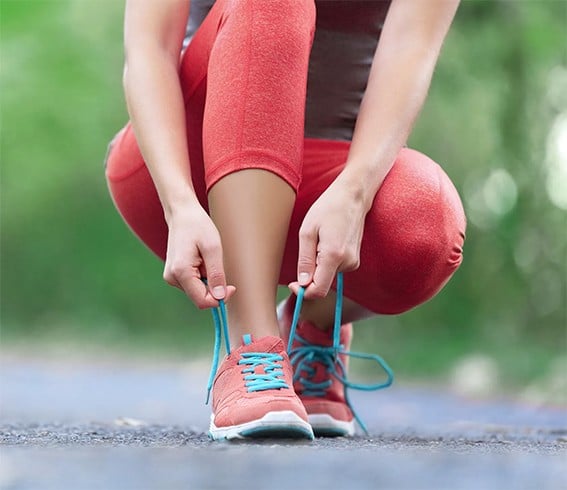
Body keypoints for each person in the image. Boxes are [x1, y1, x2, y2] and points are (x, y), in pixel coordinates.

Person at [105, 0, 465, 440]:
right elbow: (149, 49)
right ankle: (251, 349)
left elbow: (412, 48)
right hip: (184, 168)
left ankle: (311, 324)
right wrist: (178, 203)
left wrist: (355, 192)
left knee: (426, 223)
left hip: (331, 182)